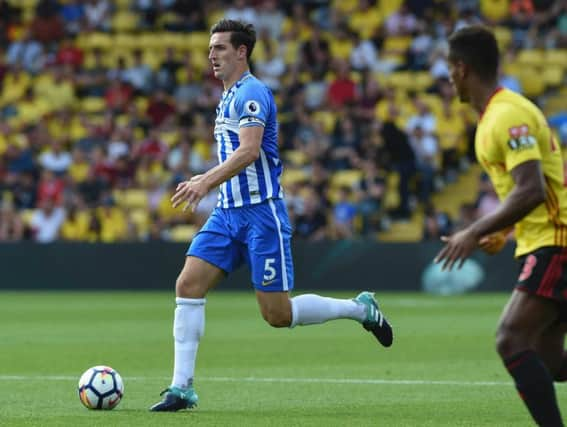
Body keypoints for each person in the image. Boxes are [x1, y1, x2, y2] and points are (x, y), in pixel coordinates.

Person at [149, 19, 393, 412]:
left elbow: (248, 151)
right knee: (188, 286)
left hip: (262, 215)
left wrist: (204, 182)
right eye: (211, 48)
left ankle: (359, 308)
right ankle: (181, 389)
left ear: (242, 52)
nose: (212, 54)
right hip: (227, 215)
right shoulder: (226, 96)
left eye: (221, 48)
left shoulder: (252, 93)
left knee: (278, 315)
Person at [434, 25, 566, 426]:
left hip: (556, 240)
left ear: (461, 69)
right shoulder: (498, 114)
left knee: (510, 339)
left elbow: (530, 189)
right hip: (544, 237)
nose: (448, 77)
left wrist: (472, 232)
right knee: (549, 361)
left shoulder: (507, 115)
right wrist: (503, 230)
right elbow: (528, 189)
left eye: (449, 69)